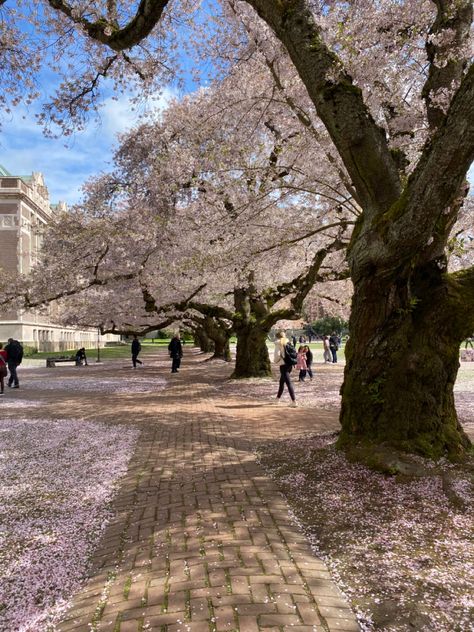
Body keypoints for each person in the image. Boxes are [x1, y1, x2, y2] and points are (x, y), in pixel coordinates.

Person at [273, 330, 297, 406]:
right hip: (290, 364)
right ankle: (277, 399)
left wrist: (276, 361)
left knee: (288, 383)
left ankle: (294, 401)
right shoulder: (288, 342)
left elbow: (276, 355)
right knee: (281, 382)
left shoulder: (278, 343)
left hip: (283, 365)